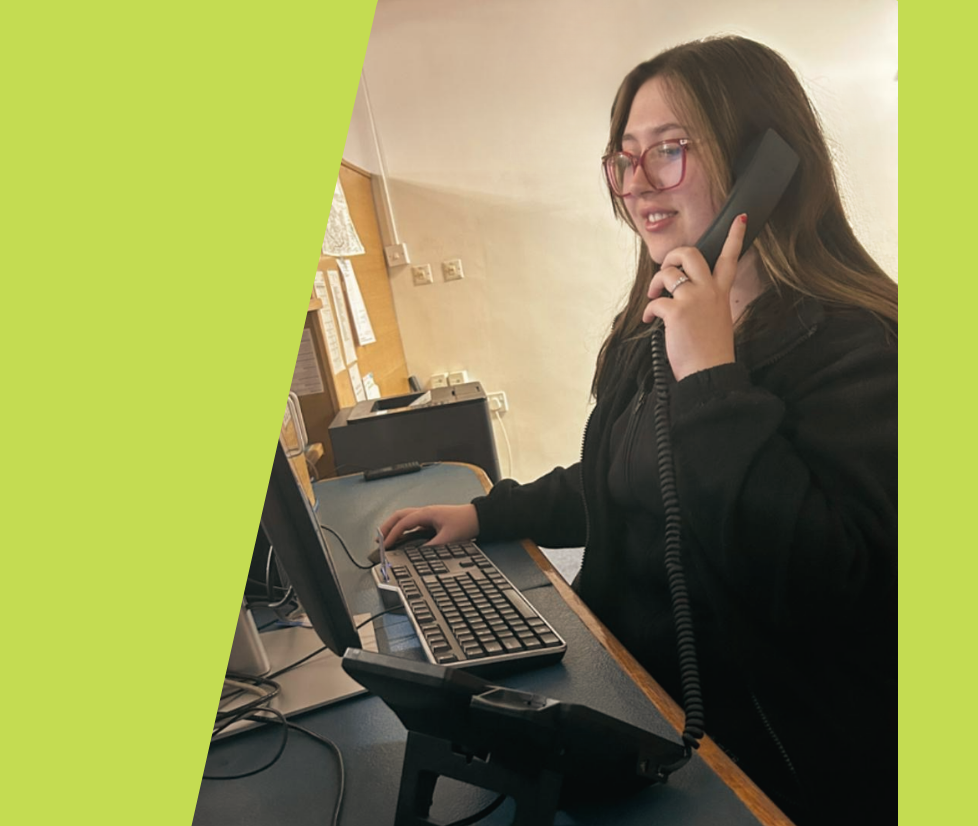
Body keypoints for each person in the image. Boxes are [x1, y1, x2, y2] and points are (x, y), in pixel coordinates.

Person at [380, 36, 897, 824]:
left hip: (761, 771)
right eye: (624, 159)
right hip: (625, 706)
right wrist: (489, 513)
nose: (638, 186)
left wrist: (712, 377)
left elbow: (826, 587)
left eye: (670, 151)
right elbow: (620, 477)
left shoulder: (861, 345)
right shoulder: (655, 324)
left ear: (767, 165)